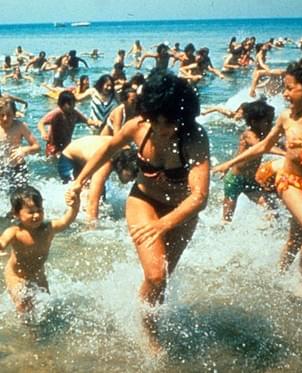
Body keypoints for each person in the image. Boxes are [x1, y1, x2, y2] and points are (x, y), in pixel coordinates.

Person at [68, 71, 209, 349]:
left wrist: (164, 224)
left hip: (182, 212)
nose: (163, 128)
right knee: (155, 275)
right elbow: (108, 148)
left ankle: (147, 316)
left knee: (161, 279)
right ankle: (150, 336)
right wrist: (78, 182)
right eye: (157, 120)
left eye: (170, 122)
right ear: (149, 112)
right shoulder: (137, 126)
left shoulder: (194, 136)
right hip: (143, 201)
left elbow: (200, 197)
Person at [212, 64, 302, 298]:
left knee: (295, 239)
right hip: (290, 182)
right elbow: (263, 146)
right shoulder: (287, 117)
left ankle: (279, 273)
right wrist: (228, 163)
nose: (284, 93)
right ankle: (300, 278)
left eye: (289, 88)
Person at [0, 185, 79, 314]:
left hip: (38, 274)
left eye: (40, 210)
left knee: (47, 306)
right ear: (16, 214)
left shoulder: (48, 229)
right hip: (16, 275)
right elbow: (2, 241)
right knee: (23, 306)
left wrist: (74, 206)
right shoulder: (15, 232)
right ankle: (31, 333)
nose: (36, 215)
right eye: (30, 212)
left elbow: (66, 221)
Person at [211, 99, 283, 222]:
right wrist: (286, 154)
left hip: (250, 180)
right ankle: (221, 232)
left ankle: (268, 231)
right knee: (227, 218)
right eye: (267, 122)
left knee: (270, 208)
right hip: (234, 180)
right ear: (254, 122)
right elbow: (262, 148)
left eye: (271, 121)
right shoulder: (248, 134)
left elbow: (238, 155)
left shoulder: (264, 134)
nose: (270, 124)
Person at [58, 136, 138, 222]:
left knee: (101, 199)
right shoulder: (105, 164)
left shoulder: (131, 156)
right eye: (131, 175)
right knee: (83, 198)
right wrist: (92, 229)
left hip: (90, 155)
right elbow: (93, 202)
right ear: (121, 167)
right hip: (70, 159)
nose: (132, 179)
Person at [37, 91, 100, 157]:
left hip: (66, 146)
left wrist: (96, 123)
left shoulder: (74, 113)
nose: (72, 106)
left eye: (73, 103)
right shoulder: (57, 113)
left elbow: (86, 121)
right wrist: (43, 132)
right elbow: (41, 122)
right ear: (62, 104)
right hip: (53, 148)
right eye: (69, 104)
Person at [0, 97, 40, 192]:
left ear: (15, 114)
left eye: (9, 115)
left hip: (17, 167)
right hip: (1, 169)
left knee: (21, 195)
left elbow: (37, 147)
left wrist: (24, 150)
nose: (5, 118)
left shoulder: (20, 126)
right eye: (1, 115)